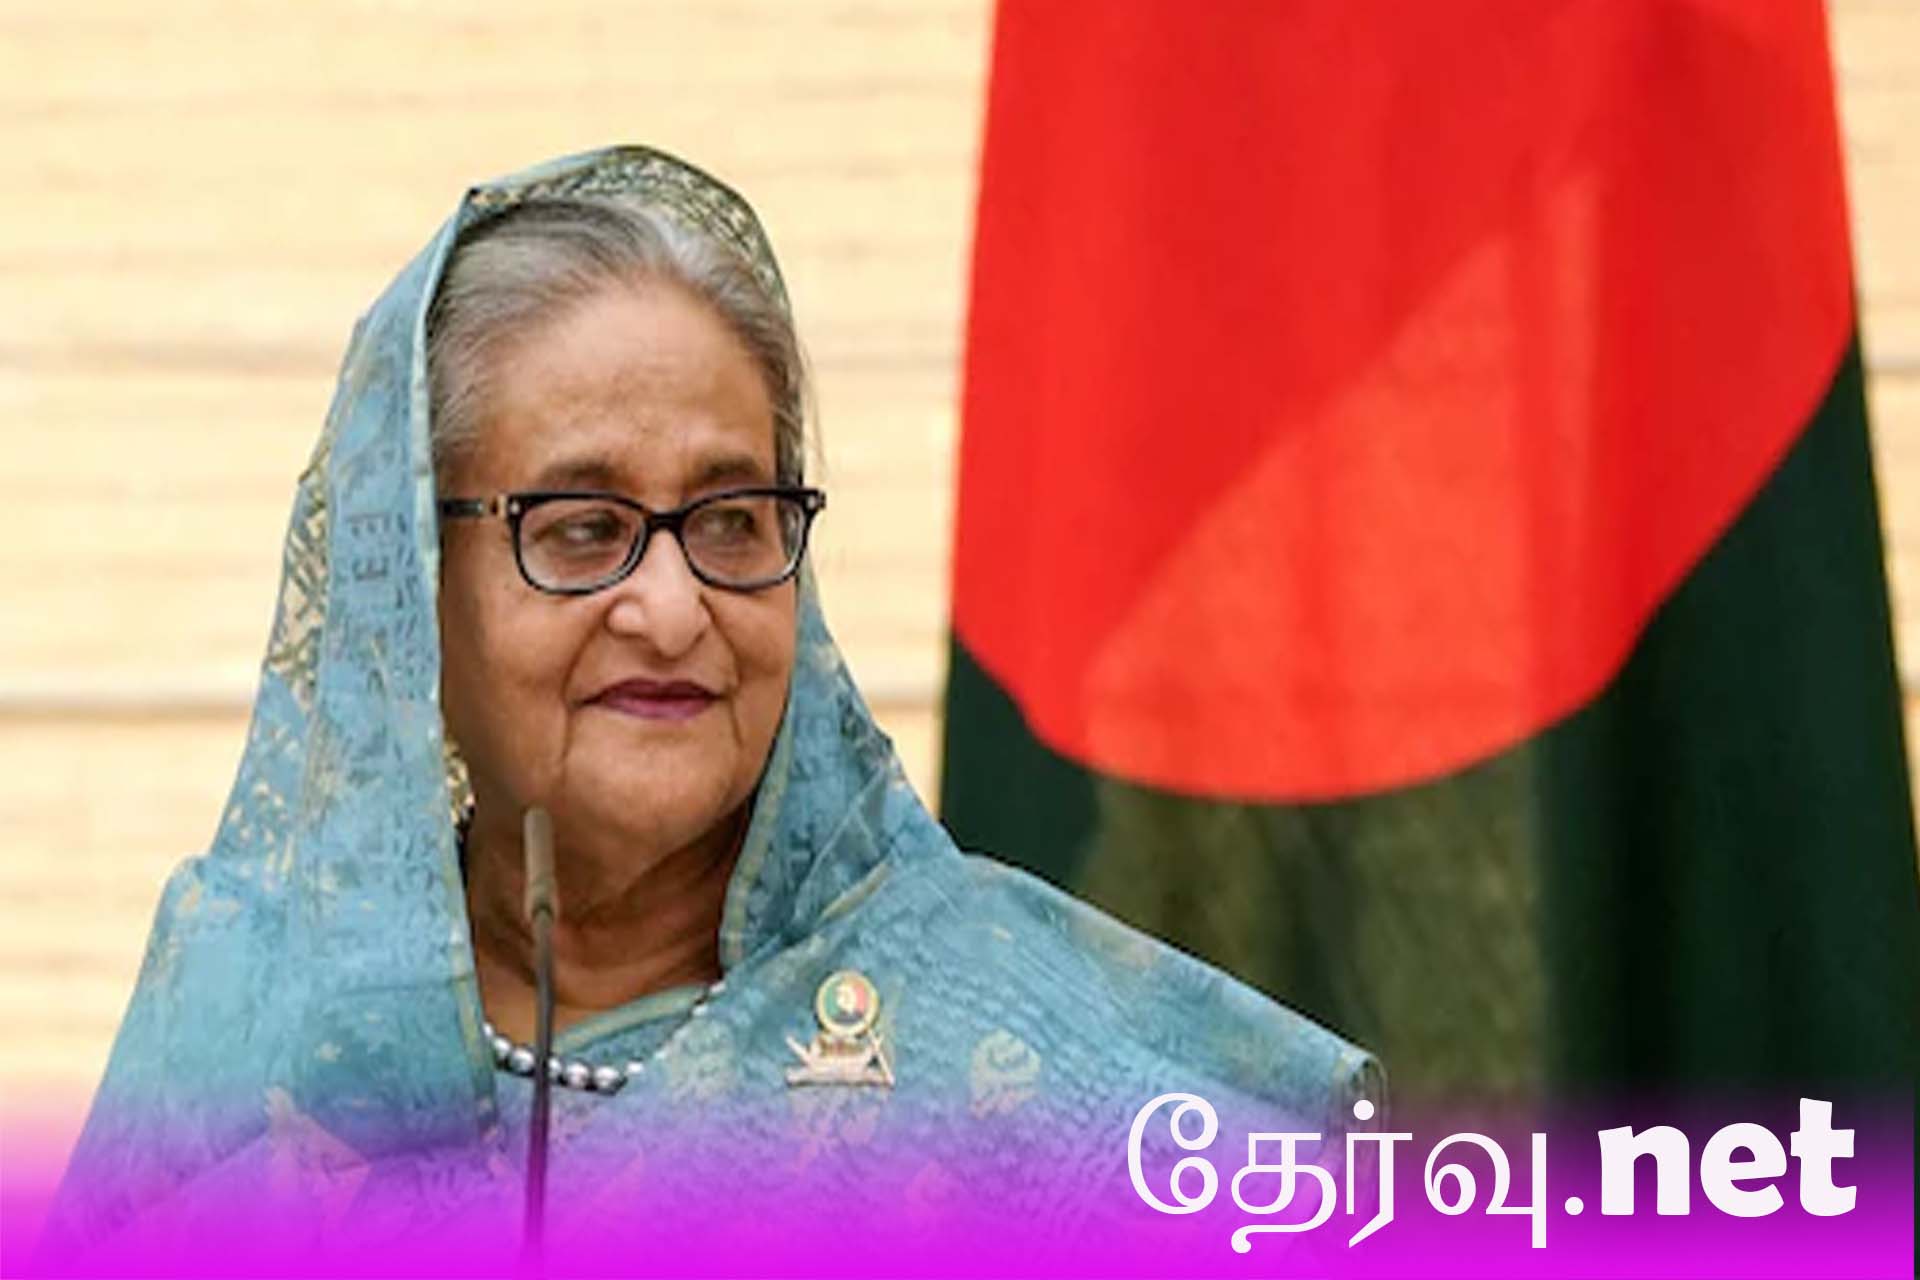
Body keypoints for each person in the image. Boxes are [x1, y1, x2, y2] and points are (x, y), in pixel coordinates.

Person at [39, 145, 1379, 1270]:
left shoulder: (1011, 1053)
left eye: (735, 520)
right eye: (581, 529)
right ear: (415, 593)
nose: (675, 610)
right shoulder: (254, 1021)